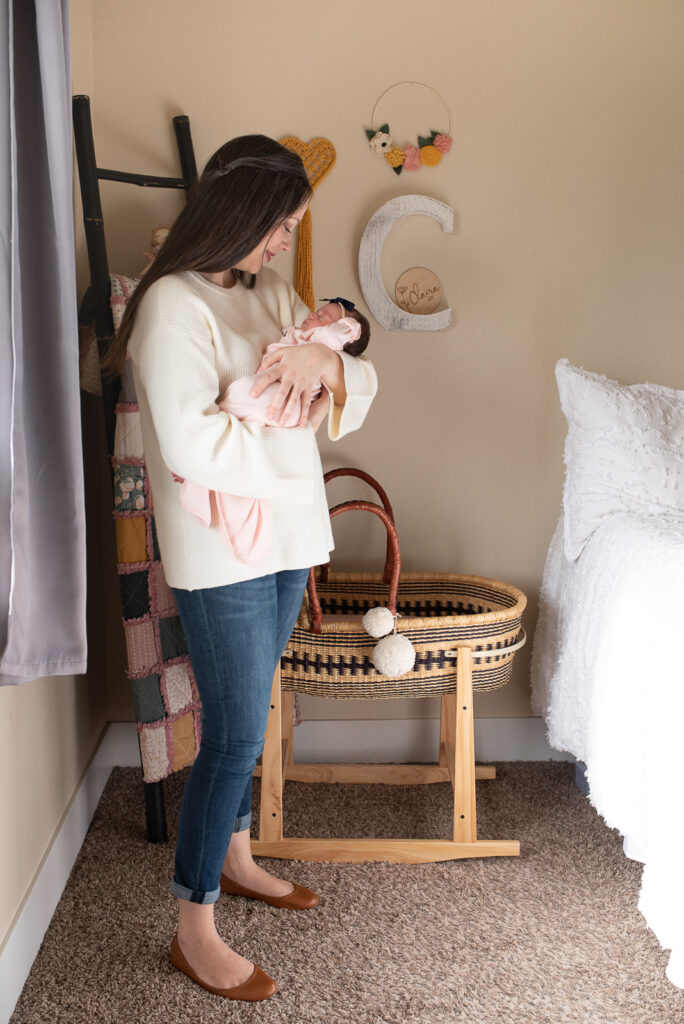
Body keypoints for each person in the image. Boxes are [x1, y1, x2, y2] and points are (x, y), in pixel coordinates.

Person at [108, 134, 377, 1003]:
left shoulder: (269, 293)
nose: (282, 244)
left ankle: (238, 856)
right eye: (279, 227)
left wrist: (326, 360)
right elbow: (192, 443)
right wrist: (296, 414)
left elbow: (354, 379)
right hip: (219, 551)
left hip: (284, 539)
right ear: (242, 215)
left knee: (251, 714)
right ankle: (194, 924)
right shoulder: (172, 309)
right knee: (230, 736)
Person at [177, 298, 371, 563]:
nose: (313, 314)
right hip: (223, 549)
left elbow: (363, 372)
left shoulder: (306, 323)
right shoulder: (176, 298)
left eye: (323, 315)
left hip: (300, 527)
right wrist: (306, 430)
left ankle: (208, 490)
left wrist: (325, 354)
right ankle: (204, 489)